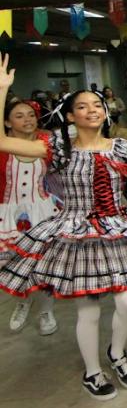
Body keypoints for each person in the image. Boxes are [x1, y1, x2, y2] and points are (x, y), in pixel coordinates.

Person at [0, 55, 127, 400]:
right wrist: (1, 91)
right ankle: (92, 371)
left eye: (97, 104)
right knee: (88, 309)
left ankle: (117, 353)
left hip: (116, 229)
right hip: (75, 232)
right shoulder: (57, 148)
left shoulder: (122, 147)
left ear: (105, 112)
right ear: (71, 116)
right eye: (83, 106)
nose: (93, 109)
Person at [2, 100, 60, 335]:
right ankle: (23, 302)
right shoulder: (2, 146)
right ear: (6, 122)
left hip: (42, 210)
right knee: (13, 263)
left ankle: (47, 310)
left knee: (44, 264)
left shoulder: (45, 144)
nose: (27, 119)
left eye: (31, 115)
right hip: (7, 213)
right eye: (19, 116)